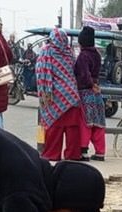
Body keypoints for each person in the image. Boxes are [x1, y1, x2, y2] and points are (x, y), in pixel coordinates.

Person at [36, 27, 83, 162]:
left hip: (55, 95)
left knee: (54, 128)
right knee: (72, 129)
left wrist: (44, 92)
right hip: (72, 95)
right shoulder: (69, 52)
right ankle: (72, 156)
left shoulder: (47, 51)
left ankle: (52, 154)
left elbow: (40, 71)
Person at [74, 26, 105, 162]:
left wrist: (90, 83)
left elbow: (85, 74)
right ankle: (100, 152)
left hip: (85, 92)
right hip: (97, 93)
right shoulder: (97, 55)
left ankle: (83, 152)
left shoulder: (83, 56)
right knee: (98, 123)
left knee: (85, 123)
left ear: (82, 43)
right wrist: (95, 85)